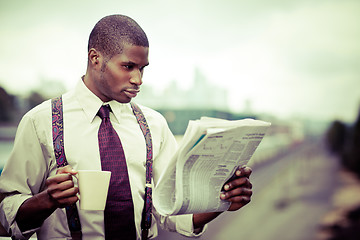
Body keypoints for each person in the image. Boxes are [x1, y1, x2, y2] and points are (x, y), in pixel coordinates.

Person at [0, 14, 253, 240]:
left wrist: (222, 201)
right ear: (95, 58)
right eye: (128, 66)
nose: (138, 80)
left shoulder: (154, 125)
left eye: (142, 69)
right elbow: (5, 213)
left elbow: (171, 212)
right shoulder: (41, 121)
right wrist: (47, 201)